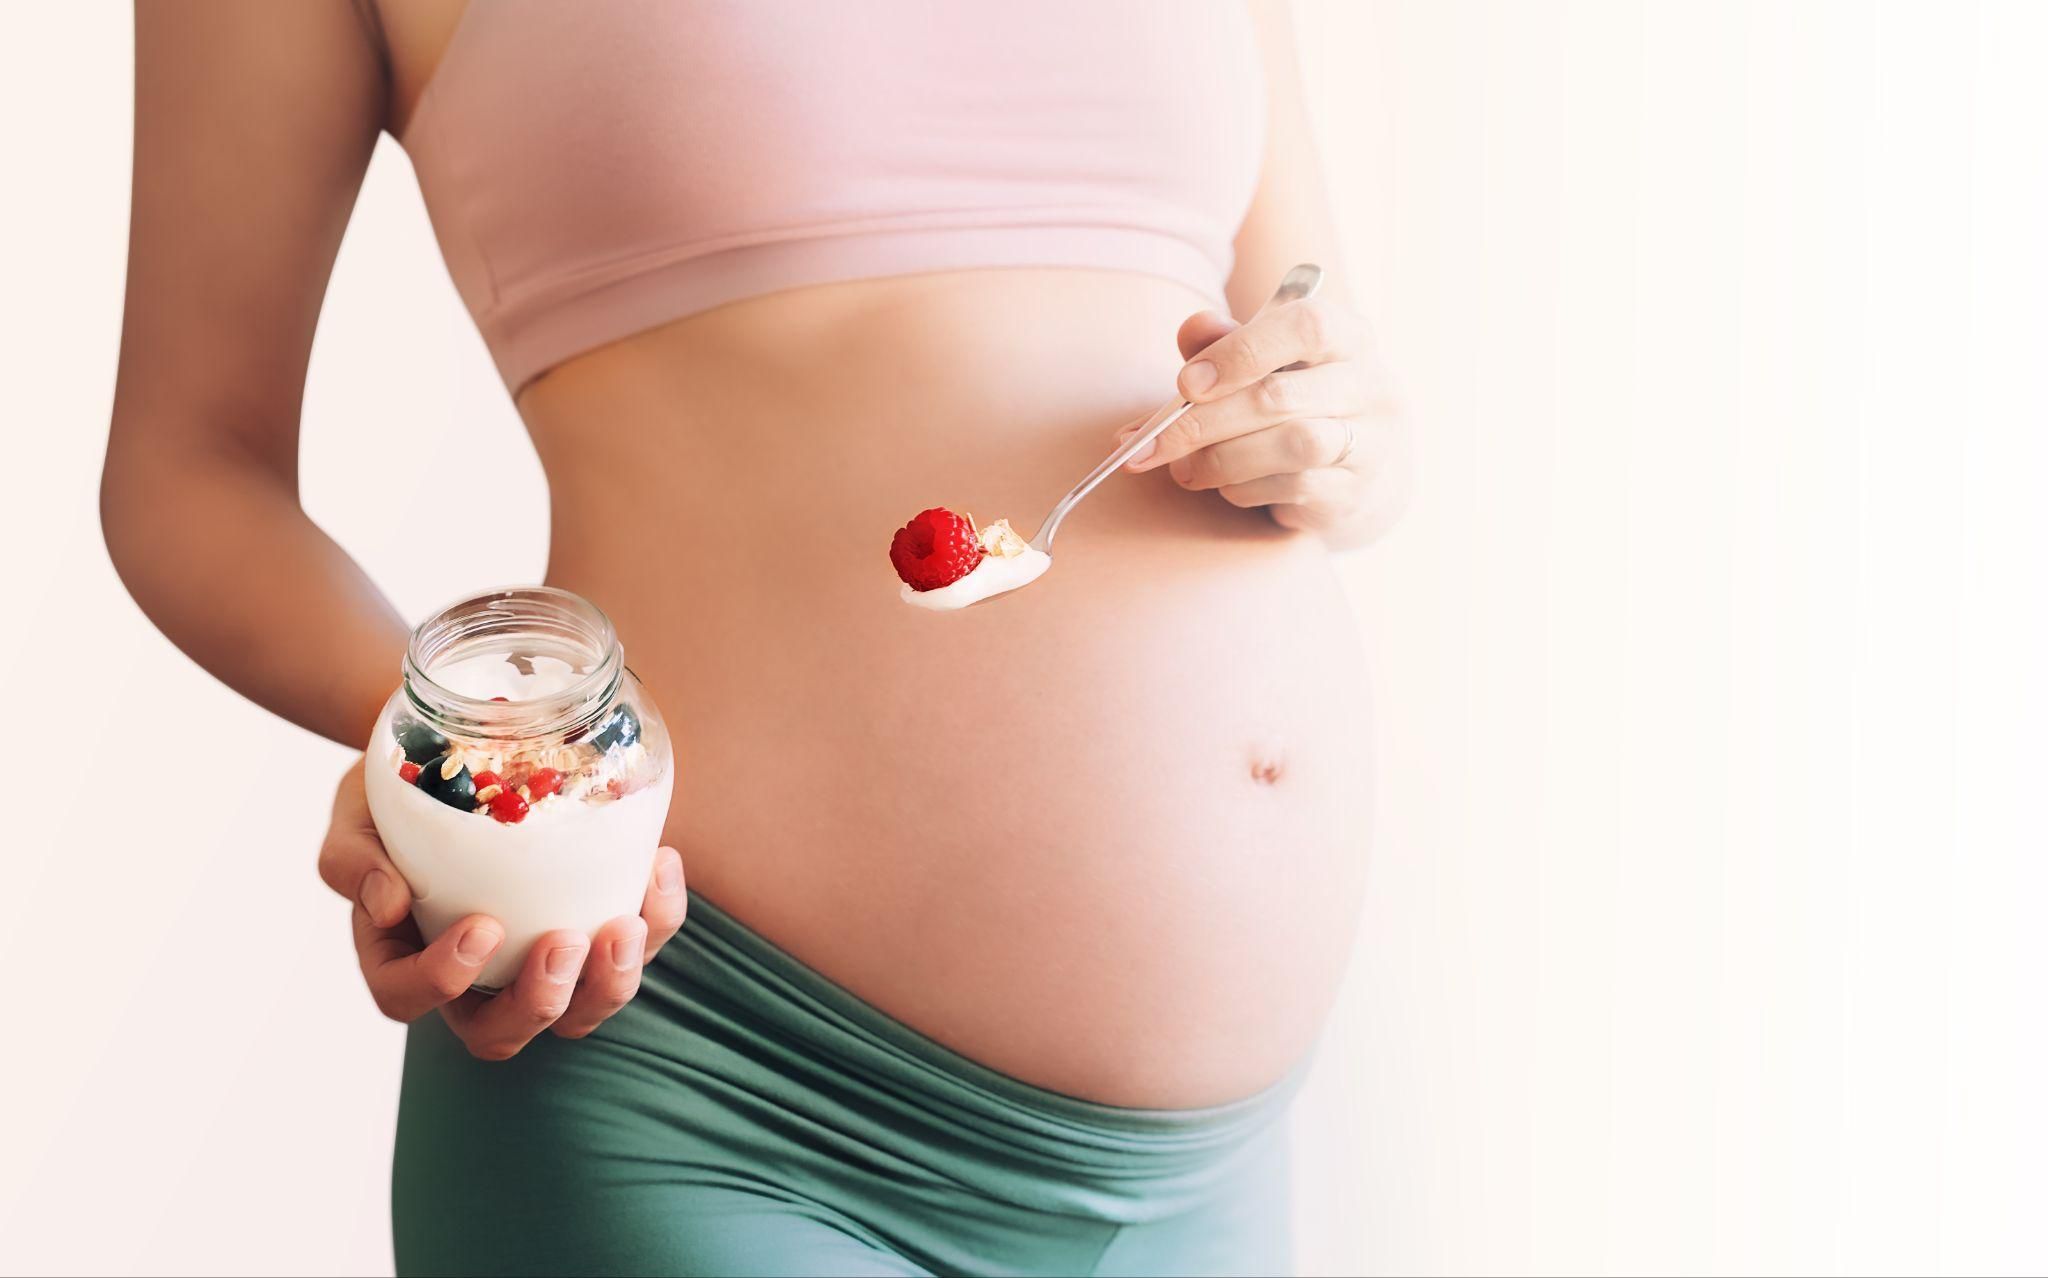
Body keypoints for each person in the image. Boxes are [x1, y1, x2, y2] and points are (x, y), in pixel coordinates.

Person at [102, 2, 1411, 1273]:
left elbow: (1336, 379)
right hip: (707, 1094)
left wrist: (1337, 434)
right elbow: (187, 473)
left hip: (1212, 1179)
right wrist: (455, 772)